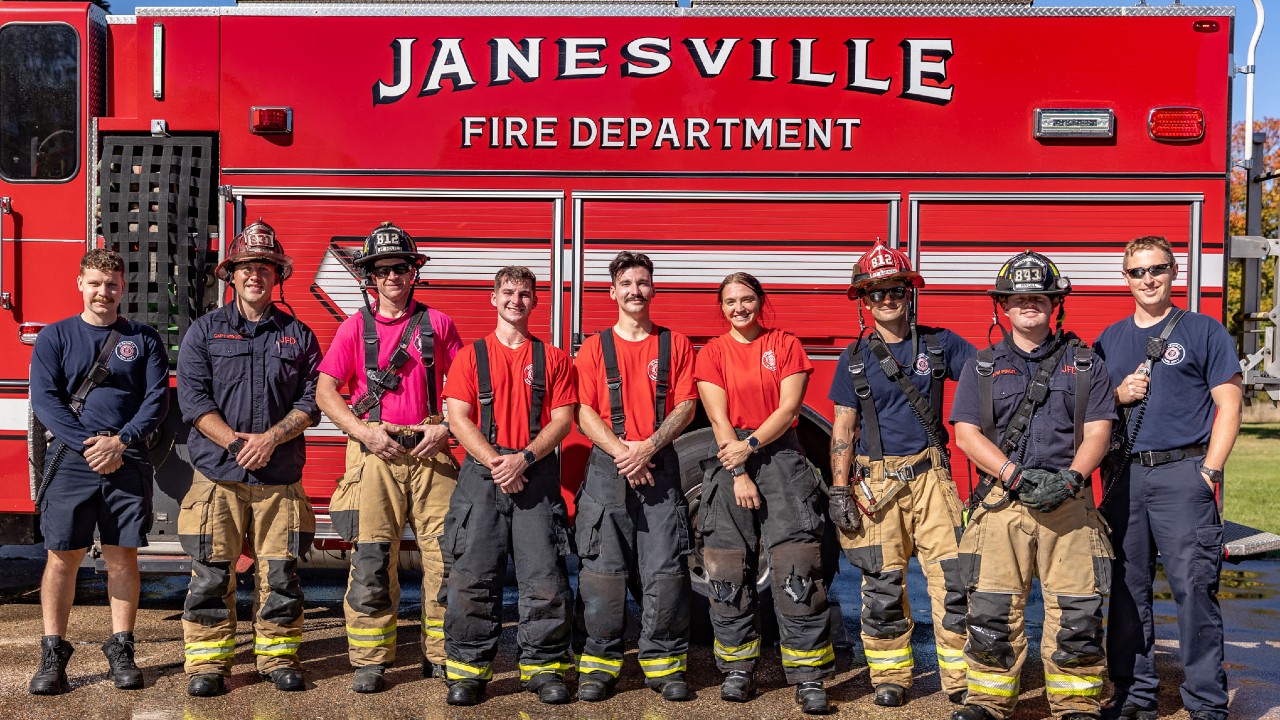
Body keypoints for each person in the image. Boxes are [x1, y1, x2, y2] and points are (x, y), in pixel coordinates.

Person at [948, 250, 1116, 720]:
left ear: (1055, 303)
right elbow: (965, 434)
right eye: (1018, 297)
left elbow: (1100, 429)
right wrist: (1014, 476)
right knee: (992, 611)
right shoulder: (980, 367)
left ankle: (1077, 701)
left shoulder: (1085, 363)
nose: (1029, 304)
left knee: (1077, 611)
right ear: (1003, 305)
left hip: (1069, 504)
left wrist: (1072, 479)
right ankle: (986, 700)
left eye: (1039, 296)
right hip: (1004, 504)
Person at [1094, 235, 1241, 720]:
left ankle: (1206, 703)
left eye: (1157, 269)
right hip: (1124, 478)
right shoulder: (1109, 340)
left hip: (1184, 475)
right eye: (1137, 272)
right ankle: (1136, 696)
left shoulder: (1204, 331)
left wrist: (1209, 472)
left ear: (1174, 272)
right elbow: (1090, 412)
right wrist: (1117, 394)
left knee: (1194, 589)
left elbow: (1230, 404)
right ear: (1125, 278)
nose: (1148, 279)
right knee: (1125, 588)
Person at [176, 221, 322, 696]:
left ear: (276, 275)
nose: (255, 275)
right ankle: (207, 662)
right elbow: (194, 402)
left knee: (280, 574)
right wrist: (239, 444)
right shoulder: (205, 332)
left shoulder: (298, 335)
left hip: (279, 477)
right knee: (211, 571)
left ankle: (278, 656)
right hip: (218, 475)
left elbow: (312, 401)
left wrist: (271, 439)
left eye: (265, 267)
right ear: (231, 276)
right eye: (246, 268)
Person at [316, 221, 463, 693]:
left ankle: (440, 654)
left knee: (446, 559)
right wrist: (363, 432)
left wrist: (445, 429)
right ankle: (370, 659)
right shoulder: (353, 328)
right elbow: (325, 393)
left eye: (400, 267)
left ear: (413, 272)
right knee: (373, 559)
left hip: (429, 452)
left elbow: (463, 390)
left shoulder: (438, 324)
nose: (393, 277)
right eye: (382, 270)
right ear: (370, 278)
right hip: (373, 454)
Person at [828, 241, 974, 707]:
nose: (887, 299)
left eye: (896, 290)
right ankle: (891, 677)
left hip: (933, 479)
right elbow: (843, 430)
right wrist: (838, 490)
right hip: (876, 484)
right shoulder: (853, 359)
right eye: (876, 293)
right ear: (863, 301)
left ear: (909, 294)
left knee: (954, 581)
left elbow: (993, 380)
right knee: (883, 585)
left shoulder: (941, 344)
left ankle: (961, 678)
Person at [28, 248, 169, 695]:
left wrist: (121, 441)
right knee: (62, 556)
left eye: (111, 284)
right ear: (80, 284)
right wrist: (88, 445)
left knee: (121, 556)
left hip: (125, 457)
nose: (102, 292)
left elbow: (156, 400)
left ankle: (122, 648)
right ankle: (53, 655)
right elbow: (46, 400)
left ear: (122, 287)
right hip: (72, 459)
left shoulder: (144, 339)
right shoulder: (55, 337)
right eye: (94, 282)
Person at [695, 272, 834, 715]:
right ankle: (737, 669)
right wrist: (738, 469)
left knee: (798, 566)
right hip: (729, 458)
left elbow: (789, 408)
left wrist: (752, 446)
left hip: (780, 459)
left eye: (748, 299)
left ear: (761, 302)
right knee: (728, 569)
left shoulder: (786, 345)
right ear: (722, 307)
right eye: (731, 301)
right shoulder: (712, 353)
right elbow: (717, 418)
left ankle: (808, 675)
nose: (740, 308)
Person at [439, 266, 576, 707]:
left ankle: (545, 668)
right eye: (508, 293)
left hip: (534, 475)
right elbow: (458, 417)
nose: (516, 300)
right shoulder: (470, 357)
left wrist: (525, 458)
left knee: (545, 580)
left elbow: (562, 420)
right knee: (471, 577)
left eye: (525, 294)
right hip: (483, 476)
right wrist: (497, 462)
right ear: (493, 299)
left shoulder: (553, 358)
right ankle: (468, 672)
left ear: (535, 302)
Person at [572, 251, 698, 703]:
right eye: (626, 283)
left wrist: (646, 447)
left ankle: (663, 666)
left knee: (664, 572)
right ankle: (600, 666)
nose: (635, 291)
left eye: (642, 282)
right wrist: (623, 451)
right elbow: (583, 412)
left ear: (653, 289)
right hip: (609, 469)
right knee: (603, 574)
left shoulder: (675, 344)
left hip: (658, 464)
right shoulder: (593, 348)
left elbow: (686, 405)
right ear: (612, 292)